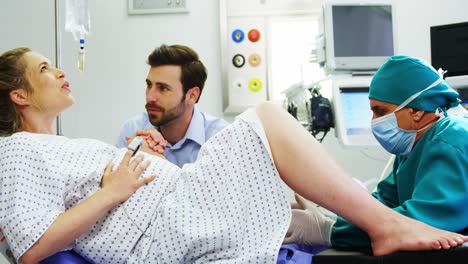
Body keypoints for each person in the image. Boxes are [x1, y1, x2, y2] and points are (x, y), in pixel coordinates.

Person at [0, 48, 466, 264]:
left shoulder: (57, 144)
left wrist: (143, 164)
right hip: (164, 229)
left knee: (279, 167)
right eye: (44, 68)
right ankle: (383, 226)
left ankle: (366, 223)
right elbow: (31, 247)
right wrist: (113, 191)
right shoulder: (16, 151)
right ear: (19, 96)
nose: (60, 72)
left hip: (175, 204)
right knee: (264, 116)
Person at [284, 55, 468, 251]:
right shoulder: (412, 147)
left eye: (381, 111)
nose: (374, 121)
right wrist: (333, 212)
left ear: (416, 111)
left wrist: (328, 230)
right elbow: (382, 206)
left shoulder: (450, 139)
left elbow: (419, 225)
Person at [116, 44, 229, 167]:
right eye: (149, 85)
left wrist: (156, 161)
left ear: (192, 95)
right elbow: (112, 184)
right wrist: (128, 156)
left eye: (163, 88)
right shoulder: (133, 129)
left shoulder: (220, 139)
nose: (150, 97)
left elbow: (205, 186)